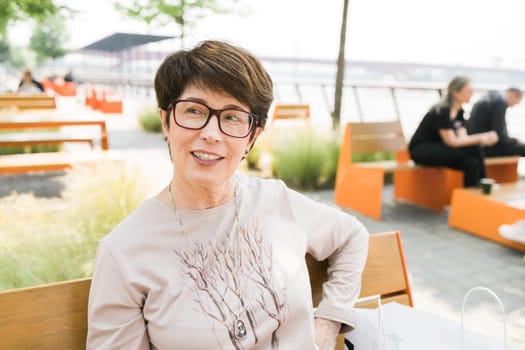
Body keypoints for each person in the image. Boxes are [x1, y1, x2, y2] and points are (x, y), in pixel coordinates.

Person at [87, 40, 369, 349]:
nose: (211, 133)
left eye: (233, 117)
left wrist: (329, 321)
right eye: (194, 111)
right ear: (166, 121)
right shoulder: (124, 251)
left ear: (252, 137)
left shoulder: (276, 200)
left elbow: (351, 236)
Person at [408, 76, 499, 187]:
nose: (472, 94)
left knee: (471, 162)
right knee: (475, 149)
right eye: (468, 91)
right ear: (456, 92)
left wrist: (485, 138)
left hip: (441, 148)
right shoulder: (442, 111)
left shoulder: (459, 111)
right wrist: (481, 138)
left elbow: (463, 139)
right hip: (422, 150)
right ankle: (484, 183)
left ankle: (472, 195)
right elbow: (451, 142)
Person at [466, 88, 525, 157]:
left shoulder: (492, 97)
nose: (513, 106)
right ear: (512, 94)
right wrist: (515, 140)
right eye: (516, 102)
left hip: (477, 143)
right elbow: (499, 133)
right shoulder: (500, 102)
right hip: (486, 146)